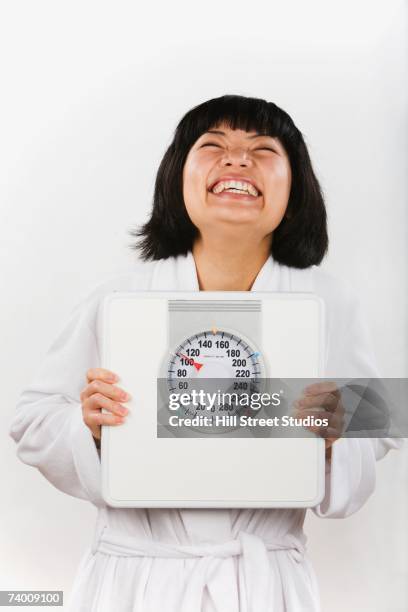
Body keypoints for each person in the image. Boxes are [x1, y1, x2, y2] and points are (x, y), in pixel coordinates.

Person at [9, 95, 400, 611]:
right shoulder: (118, 298)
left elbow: (386, 419)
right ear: (178, 177)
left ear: (295, 187)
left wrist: (338, 426)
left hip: (261, 581)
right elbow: (31, 418)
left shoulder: (328, 300)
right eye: (213, 145)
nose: (237, 159)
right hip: (134, 580)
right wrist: (90, 428)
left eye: (263, 149)